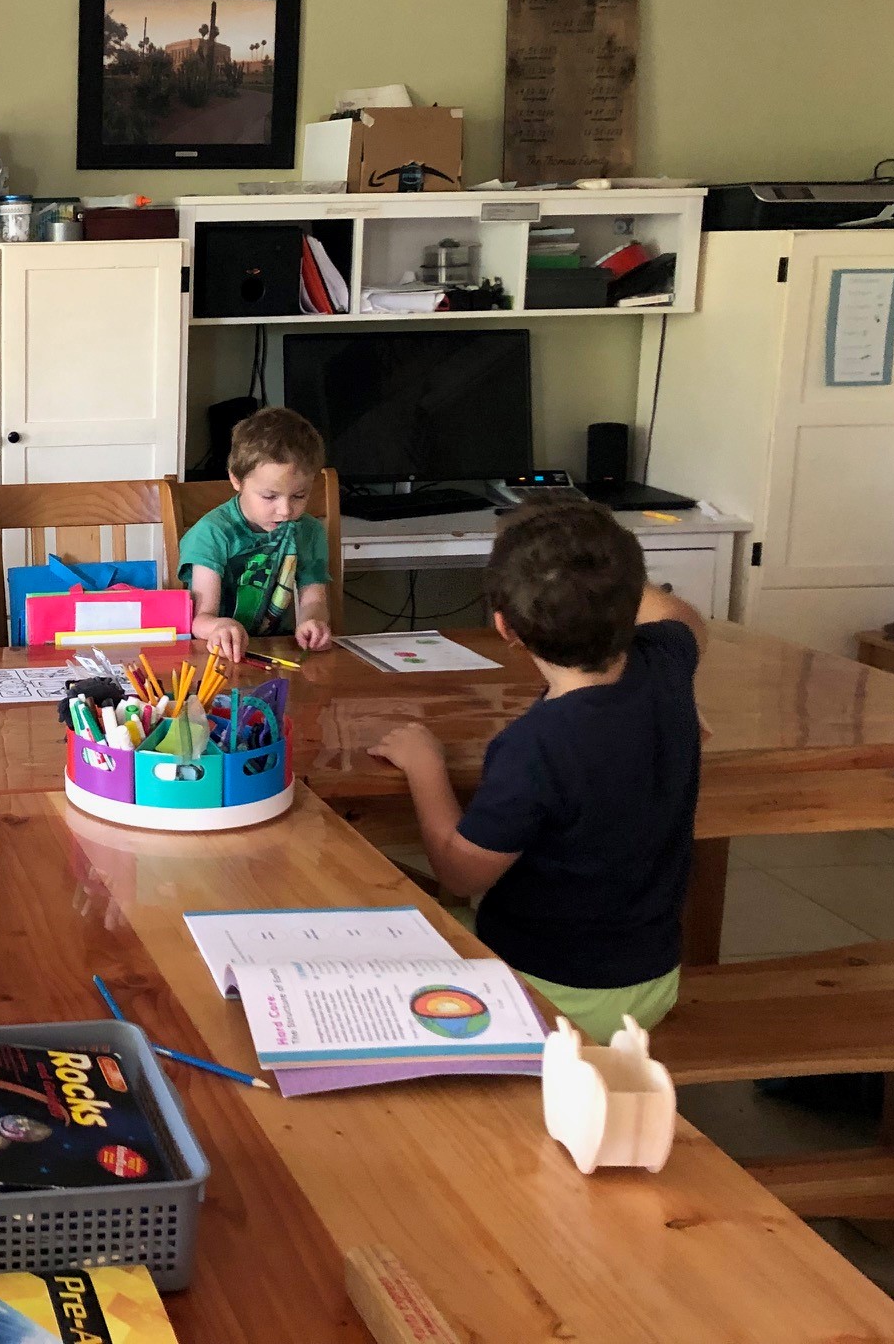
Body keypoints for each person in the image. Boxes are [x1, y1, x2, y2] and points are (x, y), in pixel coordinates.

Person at [367, 500, 707, 1043]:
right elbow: (682, 616)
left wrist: (424, 766)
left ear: (506, 627)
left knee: (375, 938)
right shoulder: (666, 665)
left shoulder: (535, 748)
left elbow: (460, 871)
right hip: (652, 980)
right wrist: (606, 568)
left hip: (546, 989)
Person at [176, 406, 335, 660]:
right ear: (236, 480)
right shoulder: (211, 533)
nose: (285, 510)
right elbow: (200, 618)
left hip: (277, 653)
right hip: (216, 656)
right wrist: (219, 626)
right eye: (270, 496)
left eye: (299, 495)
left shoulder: (309, 531)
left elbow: (314, 600)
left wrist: (312, 622)